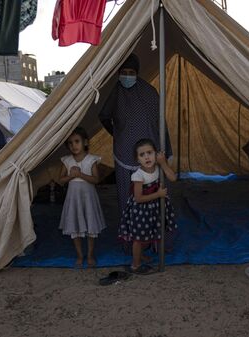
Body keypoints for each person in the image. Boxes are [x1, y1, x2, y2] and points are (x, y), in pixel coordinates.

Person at [98, 53, 173, 217]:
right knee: (128, 196)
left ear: (137, 73)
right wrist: (117, 134)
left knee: (152, 194)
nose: (127, 76)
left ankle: (153, 233)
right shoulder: (115, 93)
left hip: (148, 155)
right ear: (118, 73)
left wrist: (164, 149)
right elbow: (104, 116)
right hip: (124, 153)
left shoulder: (149, 93)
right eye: (123, 72)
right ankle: (132, 232)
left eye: (131, 73)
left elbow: (160, 122)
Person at [119, 139, 177, 274]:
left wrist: (163, 163)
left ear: (156, 154)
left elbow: (173, 178)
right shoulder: (138, 175)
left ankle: (140, 255)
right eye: (142, 155)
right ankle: (135, 264)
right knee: (139, 238)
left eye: (149, 153)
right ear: (137, 160)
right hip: (141, 211)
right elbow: (138, 198)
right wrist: (158, 195)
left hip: (153, 209)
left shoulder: (158, 167)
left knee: (149, 234)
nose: (146, 157)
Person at [59, 127, 106, 268]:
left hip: (88, 199)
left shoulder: (91, 160)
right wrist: (70, 176)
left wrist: (80, 175)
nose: (74, 146)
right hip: (74, 199)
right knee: (75, 227)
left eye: (77, 141)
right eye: (70, 143)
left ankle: (90, 254)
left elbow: (96, 179)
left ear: (85, 142)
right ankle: (80, 255)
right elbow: (61, 179)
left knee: (91, 226)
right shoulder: (66, 161)